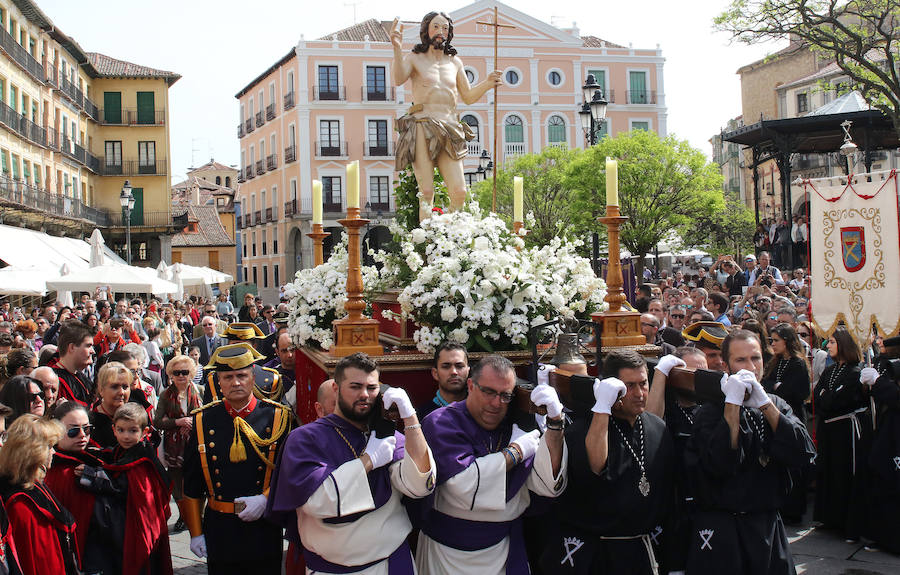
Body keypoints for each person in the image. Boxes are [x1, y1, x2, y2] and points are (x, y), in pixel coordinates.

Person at [268, 352, 435, 574]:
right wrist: (368, 461)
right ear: (336, 389)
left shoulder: (385, 437)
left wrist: (410, 417)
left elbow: (419, 484)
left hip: (391, 564)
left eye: (372, 388)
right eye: (355, 386)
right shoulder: (305, 439)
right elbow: (318, 502)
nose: (364, 395)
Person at [416, 355, 565, 573]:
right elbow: (463, 484)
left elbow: (546, 483)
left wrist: (554, 423)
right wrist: (516, 452)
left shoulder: (517, 423)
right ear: (470, 385)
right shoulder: (441, 422)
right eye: (488, 392)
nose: (496, 403)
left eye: (505, 395)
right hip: (445, 554)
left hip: (503, 552)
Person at [684, 330, 815, 575]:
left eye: (755, 358)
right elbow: (720, 464)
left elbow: (803, 452)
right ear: (726, 365)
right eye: (741, 360)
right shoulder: (709, 411)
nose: (751, 367)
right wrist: (732, 405)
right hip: (725, 528)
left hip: (767, 522)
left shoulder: (775, 403)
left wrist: (766, 405)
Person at [539, 350, 670, 574]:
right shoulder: (583, 428)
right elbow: (596, 467)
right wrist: (602, 408)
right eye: (629, 386)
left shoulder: (657, 427)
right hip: (595, 554)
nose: (639, 393)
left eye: (643, 383)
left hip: (639, 549)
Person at [182, 344, 294, 574]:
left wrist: (265, 499)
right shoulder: (203, 420)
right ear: (218, 383)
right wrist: (195, 532)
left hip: (262, 527)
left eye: (242, 375)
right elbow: (192, 482)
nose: (236, 382)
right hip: (220, 527)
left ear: (253, 378)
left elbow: (289, 472)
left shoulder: (278, 416)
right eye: (228, 377)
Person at [391, 11, 501, 220]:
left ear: (449, 33)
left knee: (459, 192)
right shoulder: (415, 58)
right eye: (436, 27)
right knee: (426, 192)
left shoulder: (455, 63)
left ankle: (448, 237)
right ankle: (427, 245)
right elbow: (398, 78)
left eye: (445, 28)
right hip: (422, 125)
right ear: (426, 30)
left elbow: (467, 97)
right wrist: (397, 47)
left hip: (450, 128)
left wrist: (487, 83)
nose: (440, 32)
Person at [645, 347, 709, 574]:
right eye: (690, 372)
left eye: (703, 373)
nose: (697, 380)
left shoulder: (709, 409)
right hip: (672, 501)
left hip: (705, 501)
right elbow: (650, 421)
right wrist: (661, 374)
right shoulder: (668, 407)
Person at [0, 414, 80, 575]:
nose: (54, 452)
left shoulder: (33, 486)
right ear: (34, 452)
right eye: (49, 447)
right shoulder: (20, 504)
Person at [813, 326, 868, 541]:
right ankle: (830, 517)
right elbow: (820, 395)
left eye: (833, 342)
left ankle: (845, 520)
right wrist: (827, 395)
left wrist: (827, 395)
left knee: (843, 473)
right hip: (828, 428)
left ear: (844, 344)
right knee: (827, 471)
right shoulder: (830, 370)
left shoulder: (855, 372)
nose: (829, 346)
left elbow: (837, 400)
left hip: (844, 431)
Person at [762, 323, 812, 525]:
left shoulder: (797, 364)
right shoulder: (775, 362)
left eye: (776, 341)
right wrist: (777, 387)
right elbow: (766, 384)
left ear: (787, 341)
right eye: (771, 340)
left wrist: (778, 388)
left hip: (792, 414)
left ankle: (793, 509)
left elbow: (797, 391)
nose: (772, 344)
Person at [44, 402, 105, 569]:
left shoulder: (96, 456)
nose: (82, 436)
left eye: (86, 429)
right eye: (73, 431)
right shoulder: (57, 472)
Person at [155, 354, 203, 534]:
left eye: (185, 372)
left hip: (195, 445)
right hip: (174, 449)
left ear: (191, 373)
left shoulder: (200, 390)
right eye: (177, 372)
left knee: (197, 481)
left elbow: (206, 414)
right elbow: (158, 421)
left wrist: (191, 422)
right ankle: (184, 516)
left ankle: (199, 515)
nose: (181, 376)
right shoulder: (165, 395)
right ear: (171, 375)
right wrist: (177, 423)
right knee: (178, 486)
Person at [417, 341, 469, 419]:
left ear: (468, 371)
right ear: (435, 373)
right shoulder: (423, 416)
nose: (454, 372)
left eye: (459, 366)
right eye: (446, 367)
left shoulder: (482, 410)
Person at [49, 321, 95, 406]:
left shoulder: (81, 376)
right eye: (88, 346)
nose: (92, 351)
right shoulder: (54, 380)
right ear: (72, 347)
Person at [91, 361, 136, 449]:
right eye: (114, 387)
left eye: (125, 387)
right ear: (101, 390)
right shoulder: (92, 423)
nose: (121, 392)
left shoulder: (136, 414)